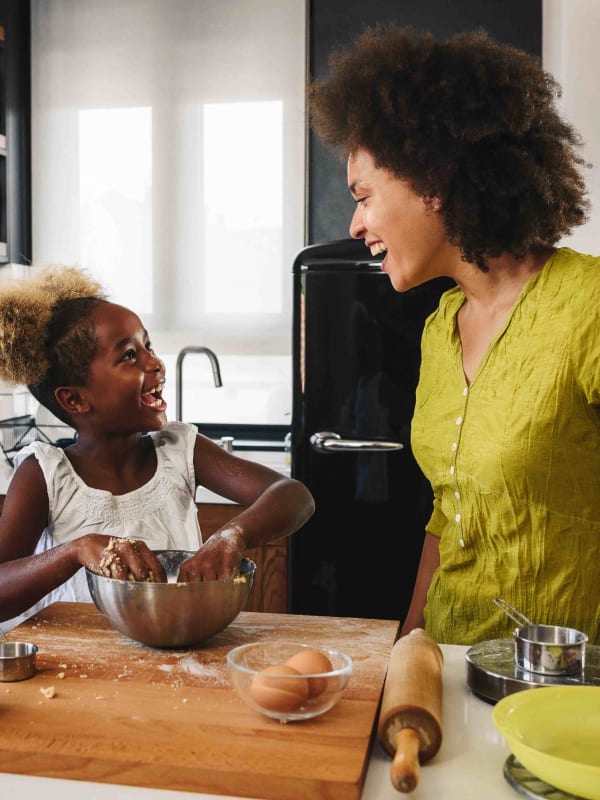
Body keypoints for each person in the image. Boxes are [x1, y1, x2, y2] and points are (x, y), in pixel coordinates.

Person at [309, 25, 599, 644]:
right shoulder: (441, 328)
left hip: (567, 695)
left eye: (364, 196)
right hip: (450, 672)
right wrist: (410, 650)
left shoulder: (588, 306)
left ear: (434, 180)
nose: (355, 224)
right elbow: (447, 519)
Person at [0, 265, 315, 628]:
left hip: (177, 656)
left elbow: (294, 495)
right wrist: (75, 550)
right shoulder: (46, 474)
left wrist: (233, 534)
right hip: (72, 673)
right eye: (129, 356)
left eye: (147, 345)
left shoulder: (179, 451)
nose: (155, 363)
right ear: (74, 399)